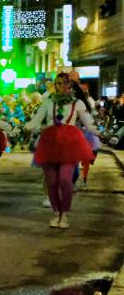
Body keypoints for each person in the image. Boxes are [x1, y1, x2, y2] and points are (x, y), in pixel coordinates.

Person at [25, 72, 97, 229]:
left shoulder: (78, 103)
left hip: (70, 144)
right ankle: (56, 213)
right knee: (51, 181)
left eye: (63, 83)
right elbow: (35, 121)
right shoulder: (48, 102)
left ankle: (64, 214)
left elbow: (89, 124)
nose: (60, 86)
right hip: (49, 143)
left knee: (65, 180)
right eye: (57, 83)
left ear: (69, 85)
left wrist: (101, 134)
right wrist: (22, 127)